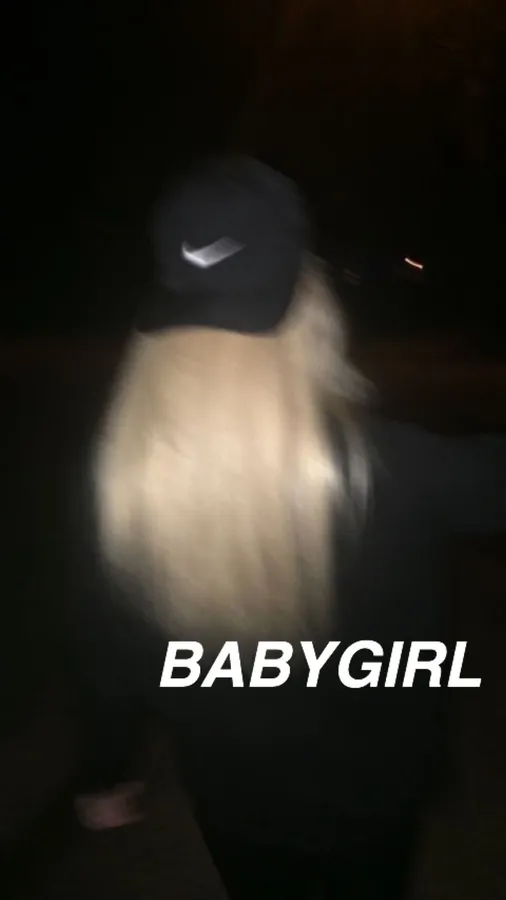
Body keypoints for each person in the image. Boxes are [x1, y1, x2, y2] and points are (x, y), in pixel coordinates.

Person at [67, 155, 506, 899]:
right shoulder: (401, 468)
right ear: (311, 313)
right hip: (377, 801)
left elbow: (106, 657)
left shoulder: (125, 484)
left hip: (238, 803)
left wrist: (105, 773)